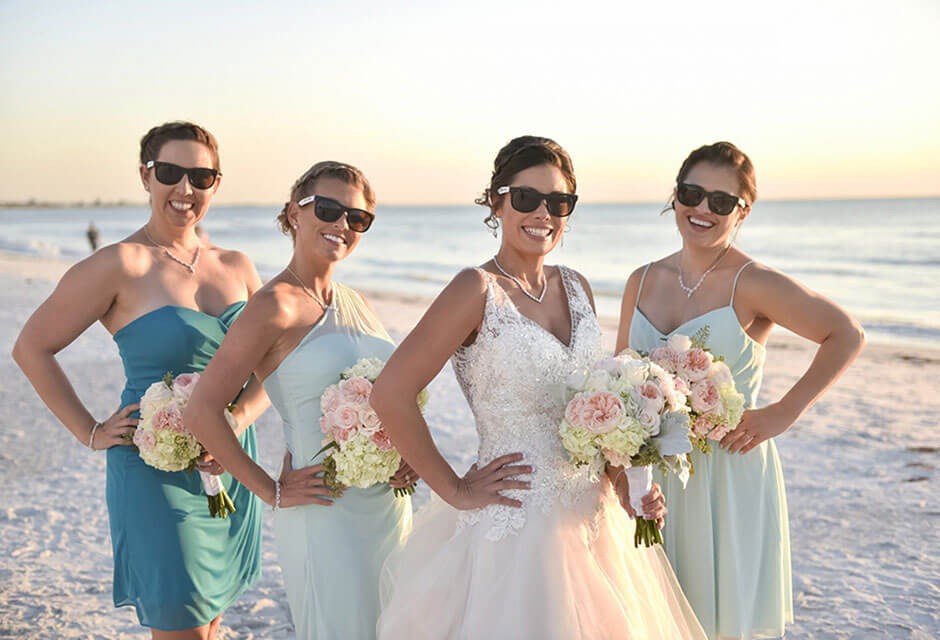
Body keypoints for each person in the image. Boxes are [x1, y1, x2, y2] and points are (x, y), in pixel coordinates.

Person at [373, 136, 706, 639]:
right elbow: (390, 394)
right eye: (526, 198)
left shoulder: (577, 285)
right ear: (497, 202)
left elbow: (590, 410)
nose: (543, 213)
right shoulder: (474, 289)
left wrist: (625, 484)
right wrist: (456, 489)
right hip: (514, 525)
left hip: (593, 520)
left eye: (559, 202)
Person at [13, 121, 266, 640]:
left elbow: (270, 370)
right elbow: (31, 347)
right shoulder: (119, 264)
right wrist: (88, 429)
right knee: (183, 624)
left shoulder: (238, 266)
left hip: (232, 463)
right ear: (145, 176)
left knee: (211, 620)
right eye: (170, 172)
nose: (185, 189)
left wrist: (236, 421)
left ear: (216, 183)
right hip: (154, 467)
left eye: (201, 176)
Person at [617, 141, 866, 639]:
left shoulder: (753, 283)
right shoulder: (641, 279)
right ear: (676, 195)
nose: (702, 209)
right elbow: (623, 375)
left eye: (721, 201)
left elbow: (846, 334)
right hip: (655, 482)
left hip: (726, 475)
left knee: (717, 621)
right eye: (692, 193)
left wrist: (783, 412)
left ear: (743, 210)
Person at [183, 161, 414, 640]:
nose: (342, 225)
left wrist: (405, 455)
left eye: (358, 219)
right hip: (323, 510)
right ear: (294, 213)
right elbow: (202, 409)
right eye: (328, 209)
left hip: (388, 509)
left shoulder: (357, 302)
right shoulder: (273, 305)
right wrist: (271, 491)